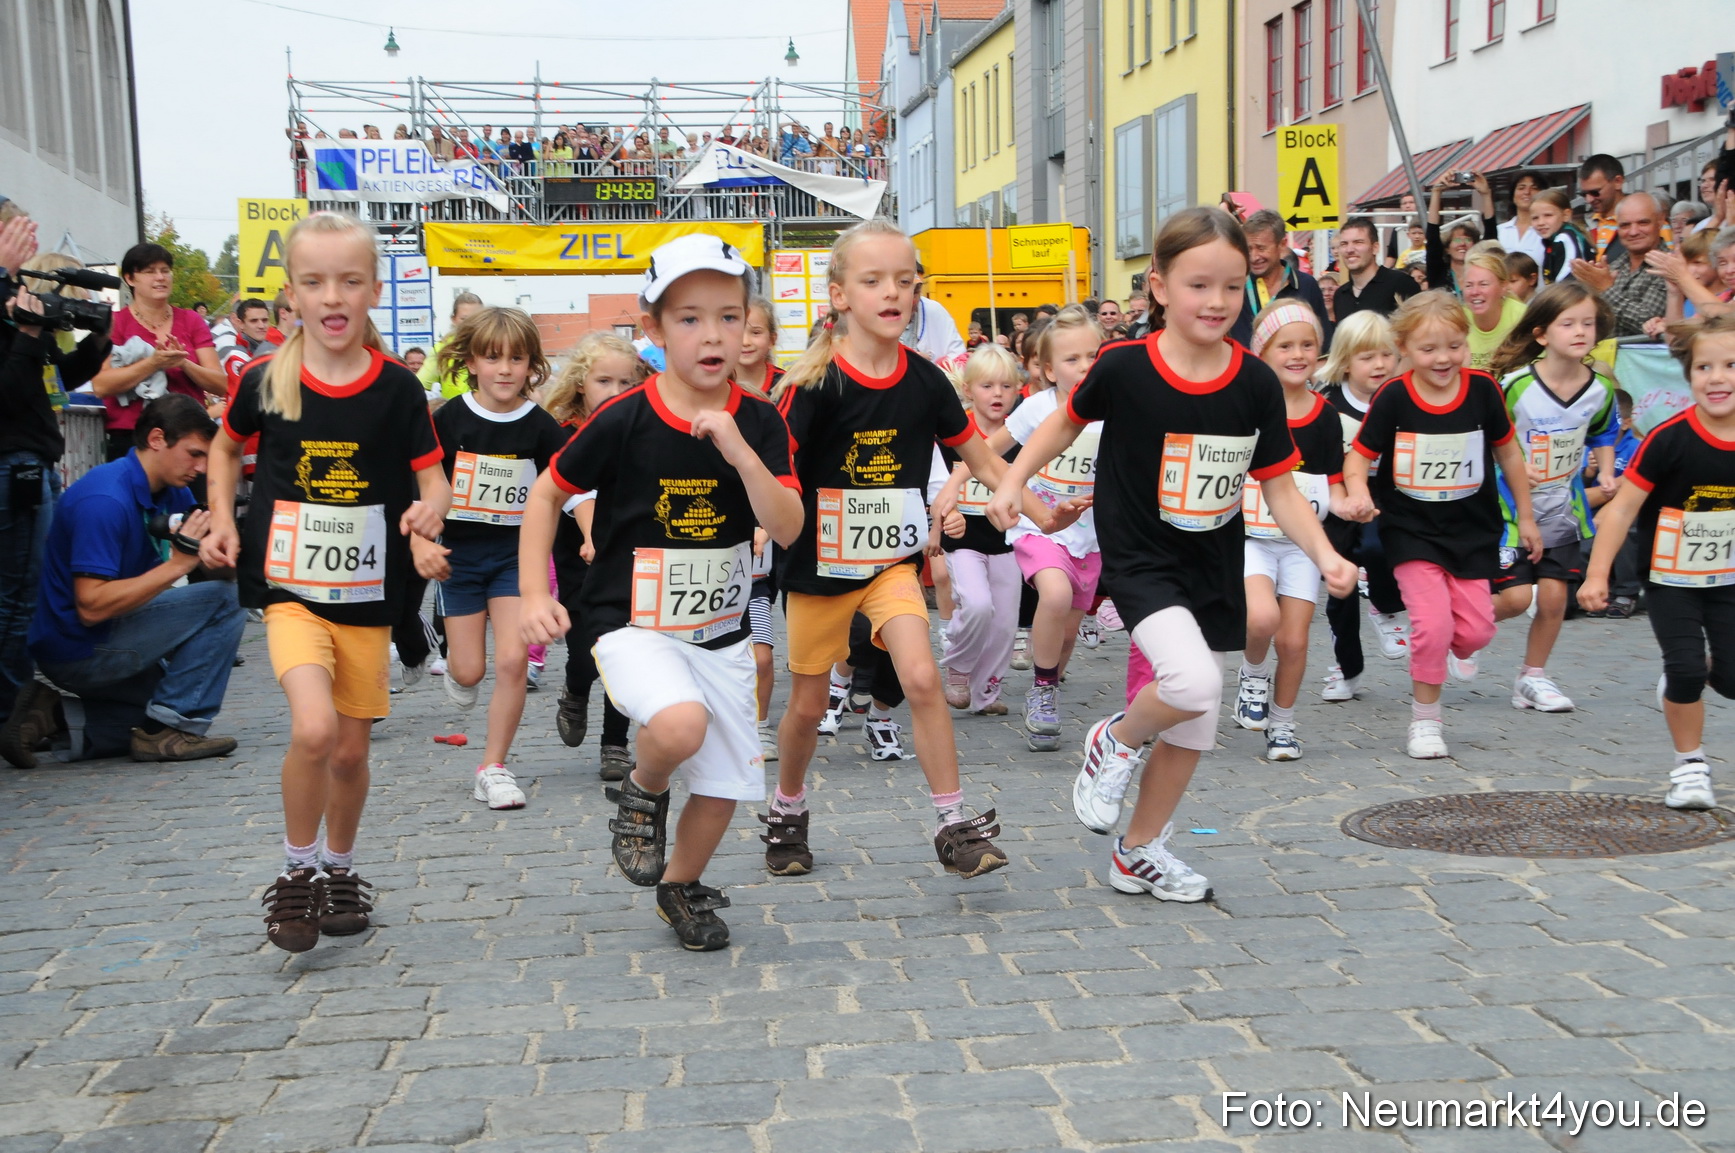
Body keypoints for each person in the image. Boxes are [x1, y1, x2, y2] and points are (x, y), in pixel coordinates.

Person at [991, 207, 1356, 903]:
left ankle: (1138, 852)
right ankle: (1114, 739)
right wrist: (1010, 479)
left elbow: (1277, 487)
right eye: (1196, 285)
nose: (1214, 302)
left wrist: (1325, 552)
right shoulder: (1124, 365)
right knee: (1192, 684)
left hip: (1211, 560)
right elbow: (1065, 422)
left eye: (1228, 285)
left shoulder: (1252, 381)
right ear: (1157, 286)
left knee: (1195, 721)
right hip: (1139, 556)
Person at [519, 234, 802, 951]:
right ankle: (642, 791)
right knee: (678, 728)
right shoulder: (626, 417)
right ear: (651, 328)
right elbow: (547, 493)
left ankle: (679, 886)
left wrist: (739, 451)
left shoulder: (763, 419)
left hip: (722, 629)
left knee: (722, 787)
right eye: (689, 317)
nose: (712, 334)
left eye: (729, 316)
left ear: (748, 324)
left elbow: (789, 525)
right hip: (629, 621)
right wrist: (531, 592)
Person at [767, 220, 1059, 881]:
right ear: (839, 294)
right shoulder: (808, 383)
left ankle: (952, 822)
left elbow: (980, 456)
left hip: (889, 566)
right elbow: (776, 473)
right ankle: (787, 805)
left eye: (904, 279)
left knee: (922, 677)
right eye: (872, 281)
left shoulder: (925, 381)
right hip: (818, 571)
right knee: (808, 707)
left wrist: (1044, 513)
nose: (891, 292)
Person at [201, 212, 450, 954]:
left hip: (370, 599)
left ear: (374, 289)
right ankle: (296, 872)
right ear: (292, 296)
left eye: (348, 280)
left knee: (348, 751)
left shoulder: (399, 391)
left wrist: (426, 515)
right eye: (314, 282)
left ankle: (341, 869)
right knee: (312, 729)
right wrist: (220, 517)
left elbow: (432, 479)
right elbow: (223, 450)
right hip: (290, 591)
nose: (332, 296)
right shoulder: (264, 380)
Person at [1341, 291, 1540, 760]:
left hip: (1472, 529)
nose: (1443, 358)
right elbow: (1358, 458)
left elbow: (1509, 452)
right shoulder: (1394, 396)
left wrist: (1526, 516)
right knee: (1430, 626)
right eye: (1429, 349)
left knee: (1476, 632)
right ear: (1405, 349)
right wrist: (1359, 493)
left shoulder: (1483, 390)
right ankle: (1425, 721)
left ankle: (1453, 647)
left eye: (1454, 346)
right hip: (1411, 531)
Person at [2, 395, 243, 768]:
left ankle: (51, 715)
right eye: (194, 453)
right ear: (157, 439)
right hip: (78, 648)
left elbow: (211, 573)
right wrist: (178, 565)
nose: (200, 467)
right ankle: (171, 733)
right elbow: (90, 606)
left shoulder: (169, 489)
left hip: (107, 635)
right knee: (227, 600)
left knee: (151, 713)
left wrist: (219, 548)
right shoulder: (105, 499)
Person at [1578, 313, 1735, 811]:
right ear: (1687, 377)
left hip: (1730, 578)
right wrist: (1598, 573)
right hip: (1671, 579)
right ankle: (1690, 766)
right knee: (1685, 667)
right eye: (1704, 367)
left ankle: (1705, 669)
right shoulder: (1668, 438)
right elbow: (1621, 509)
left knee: (1730, 678)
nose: (1717, 377)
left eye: (1731, 365)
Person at [427, 308, 567, 810]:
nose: (504, 369)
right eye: (492, 358)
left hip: (514, 559)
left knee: (512, 661)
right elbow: (425, 482)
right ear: (471, 362)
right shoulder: (448, 419)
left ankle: (494, 766)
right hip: (458, 559)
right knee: (467, 671)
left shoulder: (541, 425)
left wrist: (591, 530)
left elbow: (569, 488)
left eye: (516, 358)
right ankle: (453, 663)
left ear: (532, 364)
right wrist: (423, 537)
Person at [1486, 282, 1619, 714]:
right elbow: (1490, 436)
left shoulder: (1600, 388)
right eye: (1568, 324)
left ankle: (1533, 677)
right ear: (1542, 334)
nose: (1580, 331)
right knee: (1514, 598)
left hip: (1562, 505)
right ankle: (1461, 630)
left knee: (1554, 597)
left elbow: (1603, 429)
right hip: (1509, 506)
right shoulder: (1516, 385)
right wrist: (1517, 468)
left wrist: (1608, 466)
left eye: (1588, 323)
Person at [0, 241, 112, 722]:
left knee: (29, 592)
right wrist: (27, 331)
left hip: (35, 462)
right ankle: (10, 714)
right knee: (16, 599)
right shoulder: (15, 320)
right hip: (14, 464)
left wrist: (100, 337)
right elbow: (9, 393)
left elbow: (56, 377)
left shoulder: (25, 322)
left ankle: (17, 707)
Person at [1234, 303, 1348, 761]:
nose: (1298, 354)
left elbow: (1332, 483)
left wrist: (1352, 504)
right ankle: (1253, 671)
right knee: (1261, 619)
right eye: (1286, 346)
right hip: (1252, 540)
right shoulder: (1245, 410)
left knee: (1295, 639)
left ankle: (1283, 724)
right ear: (1263, 353)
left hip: (1302, 544)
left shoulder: (1325, 416)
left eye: (1308, 345)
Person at [987, 305, 1102, 752]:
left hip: (1091, 537)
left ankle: (1049, 678)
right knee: (1053, 595)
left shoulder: (1114, 411)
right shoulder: (1037, 408)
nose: (1085, 367)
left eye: (1093, 356)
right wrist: (956, 483)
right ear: (1050, 369)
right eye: (1072, 360)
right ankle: (1042, 692)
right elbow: (987, 451)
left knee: (1069, 630)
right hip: (1042, 528)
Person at [1316, 311, 1407, 702]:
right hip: (1337, 500)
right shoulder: (1328, 403)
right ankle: (1347, 666)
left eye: (1386, 355)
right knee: (1340, 587)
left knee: (1376, 548)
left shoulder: (1402, 396)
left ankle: (1387, 607)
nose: (1379, 365)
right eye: (1367, 357)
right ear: (1346, 360)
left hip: (1384, 498)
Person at [931, 346, 1021, 717]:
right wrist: (942, 519)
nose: (997, 394)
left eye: (1006, 386)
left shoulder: (1022, 436)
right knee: (978, 605)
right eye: (987, 386)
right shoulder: (953, 434)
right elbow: (935, 485)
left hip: (1007, 541)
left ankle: (986, 691)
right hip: (962, 540)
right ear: (968, 390)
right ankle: (959, 666)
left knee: (1004, 623)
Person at [90, 243, 225, 462]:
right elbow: (102, 385)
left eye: (165, 270)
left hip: (189, 436)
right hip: (132, 438)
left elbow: (221, 384)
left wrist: (184, 364)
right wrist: (153, 363)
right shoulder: (116, 322)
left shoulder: (191, 320)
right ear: (130, 279)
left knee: (194, 498)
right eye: (150, 271)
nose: (160, 277)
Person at [737, 298, 786, 759]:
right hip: (713, 552)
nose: (747, 340)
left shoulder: (788, 388)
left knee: (762, 652)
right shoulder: (706, 391)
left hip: (768, 549)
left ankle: (760, 725)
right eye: (739, 329)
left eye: (757, 331)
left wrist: (768, 524)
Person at [1570, 192, 1670, 338]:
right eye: (1625, 225)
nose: (1633, 232)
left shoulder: (1669, 265)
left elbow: (1647, 322)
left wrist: (1605, 289)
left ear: (1660, 221)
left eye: (1643, 223)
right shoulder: (1613, 265)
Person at [1230, 210, 1328, 347]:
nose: (1253, 257)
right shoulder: (1236, 287)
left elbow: (1323, 344)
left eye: (1261, 248)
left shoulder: (1306, 285)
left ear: (1282, 244)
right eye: (1249, 249)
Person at [1332, 215, 1422, 323]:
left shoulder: (1402, 284)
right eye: (1344, 244)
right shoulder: (1340, 296)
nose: (1349, 249)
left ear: (1375, 248)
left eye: (1358, 242)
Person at [1425, 174, 1495, 295]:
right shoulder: (1438, 271)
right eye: (1457, 240)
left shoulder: (1483, 272)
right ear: (1447, 249)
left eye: (1468, 240)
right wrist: (1436, 192)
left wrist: (1486, 194)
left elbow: (1491, 234)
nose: (1462, 244)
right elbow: (1432, 236)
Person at [1461, 251, 1525, 371]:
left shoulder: (1523, 318)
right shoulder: (1456, 320)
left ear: (1503, 287)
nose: (1475, 292)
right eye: (1469, 285)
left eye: (1483, 284)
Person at [418, 291, 484, 402]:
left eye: (476, 318)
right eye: (464, 319)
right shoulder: (441, 350)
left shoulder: (497, 346)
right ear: (453, 319)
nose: (471, 324)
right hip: (455, 416)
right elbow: (418, 385)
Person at [903, 263, 967, 361]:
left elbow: (958, 356)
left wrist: (930, 365)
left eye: (916, 292)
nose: (913, 299)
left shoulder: (934, 310)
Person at [1529, 189, 1591, 287]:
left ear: (1566, 215)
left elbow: (1567, 281)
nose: (1540, 222)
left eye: (1548, 215)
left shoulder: (1565, 239)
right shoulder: (1554, 239)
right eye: (1535, 218)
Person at [1496, 170, 1548, 269]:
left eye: (1534, 188)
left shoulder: (1548, 231)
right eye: (1521, 188)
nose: (1527, 192)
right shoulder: (1500, 231)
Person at [737, 296, 782, 396]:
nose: (745, 342)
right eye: (738, 332)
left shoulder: (788, 387)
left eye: (756, 333)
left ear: (772, 340)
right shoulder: (712, 385)